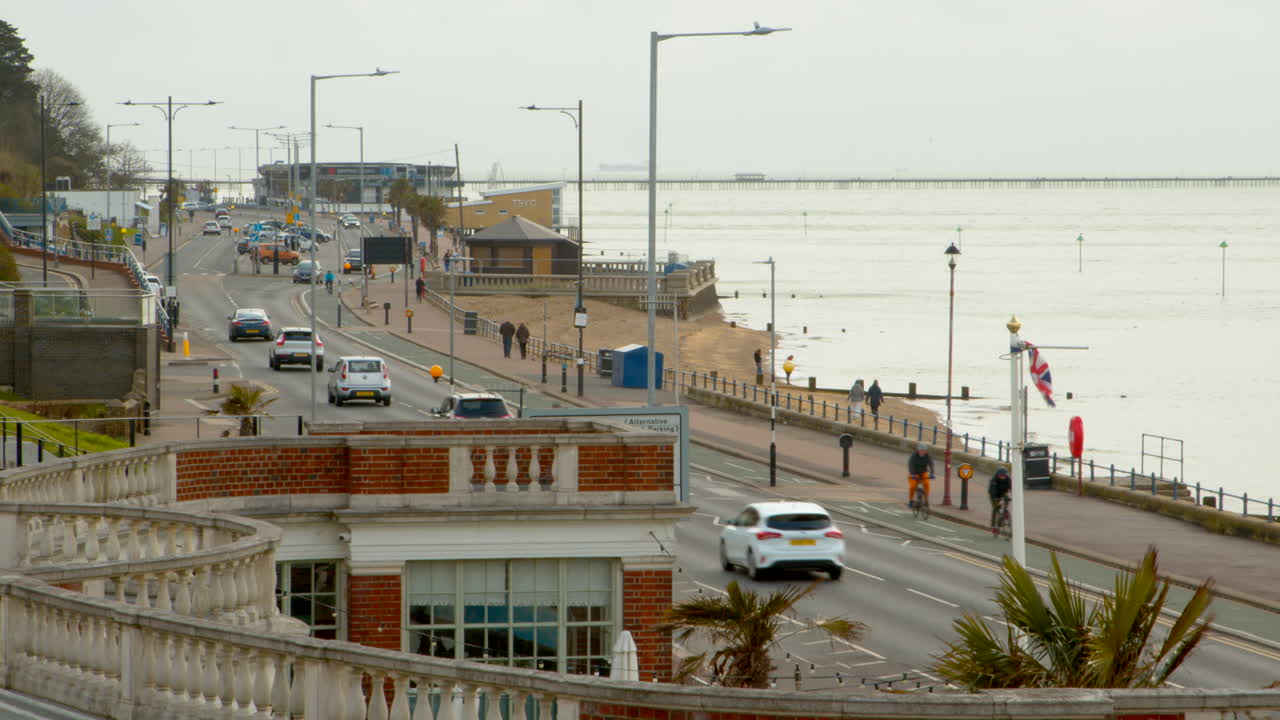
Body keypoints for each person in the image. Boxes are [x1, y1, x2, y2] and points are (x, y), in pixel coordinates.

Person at [907, 443, 934, 508]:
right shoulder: (914, 456)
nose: (922, 452)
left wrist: (932, 473)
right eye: (921, 450)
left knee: (926, 484)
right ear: (918, 450)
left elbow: (931, 464)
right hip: (914, 473)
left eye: (924, 450)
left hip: (923, 472)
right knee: (912, 487)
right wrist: (913, 474)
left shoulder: (927, 456)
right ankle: (911, 500)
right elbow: (911, 465)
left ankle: (926, 500)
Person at [988, 467, 1012, 531]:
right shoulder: (994, 480)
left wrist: (1011, 495)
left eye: (1004, 475)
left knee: (1007, 500)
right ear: (998, 475)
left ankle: (1005, 513)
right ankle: (993, 526)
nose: (1003, 477)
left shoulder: (1008, 479)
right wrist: (995, 497)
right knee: (995, 508)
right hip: (994, 494)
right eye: (1001, 475)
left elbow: (1011, 487)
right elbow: (993, 489)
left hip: (1003, 492)